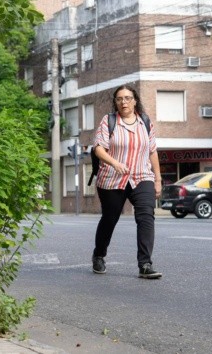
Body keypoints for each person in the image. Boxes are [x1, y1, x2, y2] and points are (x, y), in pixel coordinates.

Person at [91, 85, 162, 279]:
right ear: (115, 102)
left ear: (135, 100)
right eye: (120, 99)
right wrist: (115, 163)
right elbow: (98, 149)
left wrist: (157, 179)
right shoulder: (109, 121)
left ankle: (145, 264)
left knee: (146, 216)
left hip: (141, 176)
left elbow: (152, 151)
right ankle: (99, 255)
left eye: (128, 98)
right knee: (110, 218)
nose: (124, 102)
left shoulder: (145, 122)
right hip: (112, 178)